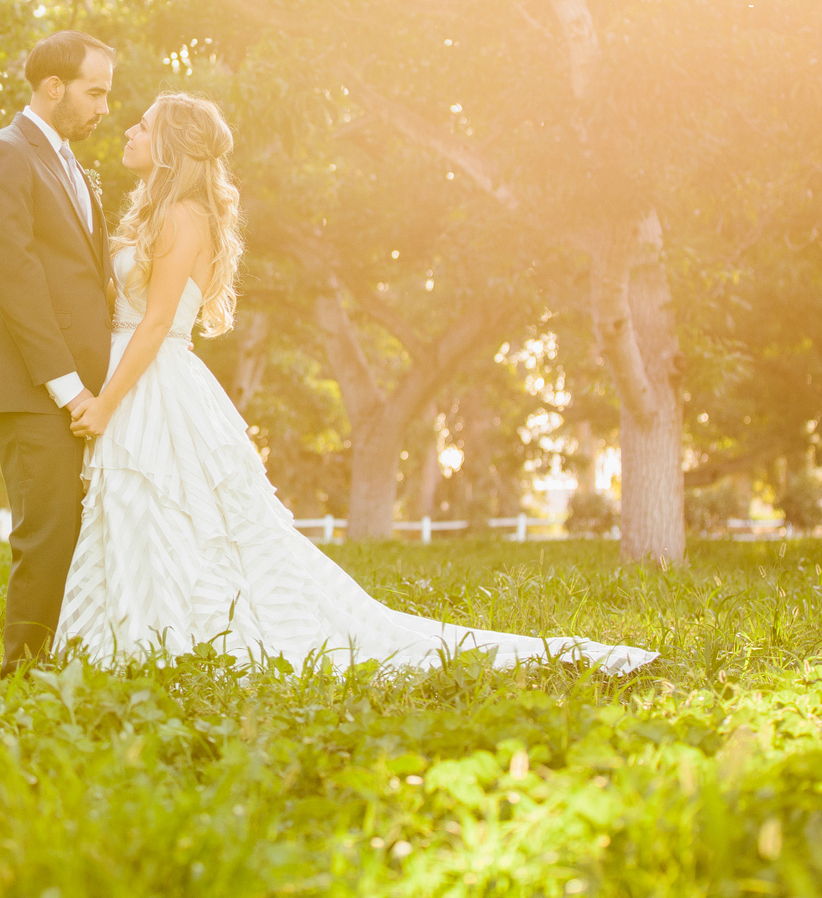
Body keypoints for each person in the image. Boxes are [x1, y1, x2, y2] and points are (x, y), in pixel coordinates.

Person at [56, 92, 659, 676]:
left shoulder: (187, 217)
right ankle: (131, 630)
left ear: (170, 145)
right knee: (141, 511)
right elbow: (121, 305)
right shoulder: (152, 215)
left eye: (142, 124)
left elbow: (158, 322)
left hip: (156, 381)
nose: (129, 131)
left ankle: (171, 637)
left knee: (168, 506)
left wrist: (107, 404)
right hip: (131, 369)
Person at [0, 30, 115, 674]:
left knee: (81, 533)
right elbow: (15, 280)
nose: (105, 108)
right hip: (35, 388)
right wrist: (69, 387)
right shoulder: (3, 156)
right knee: (47, 534)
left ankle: (72, 663)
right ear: (54, 88)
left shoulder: (70, 164)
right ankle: (21, 678)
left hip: (86, 389)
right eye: (95, 92)